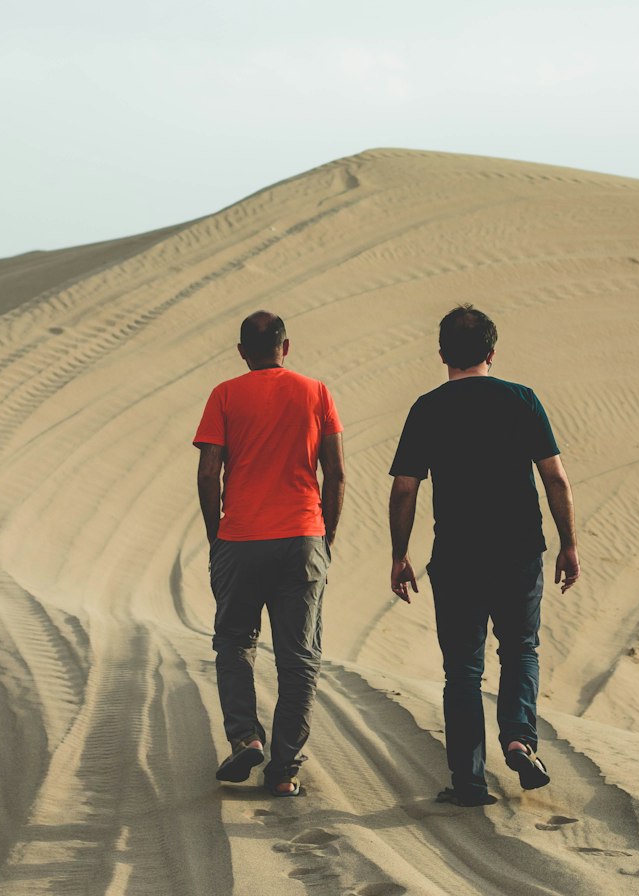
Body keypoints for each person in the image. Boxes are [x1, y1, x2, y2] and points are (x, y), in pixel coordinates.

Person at [388, 305, 581, 807]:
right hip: (518, 551)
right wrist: (569, 543)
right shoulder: (521, 400)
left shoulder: (426, 408)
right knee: (520, 649)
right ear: (492, 353)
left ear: (442, 355)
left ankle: (469, 780)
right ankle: (519, 738)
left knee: (463, 671)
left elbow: (404, 489)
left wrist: (399, 554)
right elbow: (555, 477)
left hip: (456, 557)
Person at [193, 311, 345, 797]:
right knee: (298, 658)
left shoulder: (225, 395)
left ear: (242, 352)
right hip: (302, 537)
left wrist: (217, 533)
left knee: (235, 642)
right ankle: (283, 771)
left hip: (240, 539)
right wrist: (327, 536)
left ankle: (245, 738)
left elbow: (207, 471)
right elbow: (336, 473)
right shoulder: (317, 392)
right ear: (287, 346)